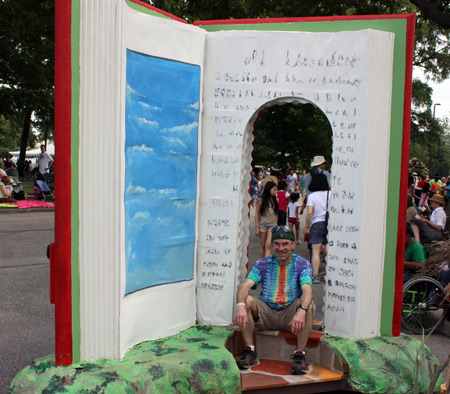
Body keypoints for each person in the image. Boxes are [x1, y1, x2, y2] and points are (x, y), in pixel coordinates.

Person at [234, 226, 313, 374]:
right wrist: (240, 305)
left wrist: (301, 311)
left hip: (290, 314)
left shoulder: (302, 264)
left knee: (308, 305)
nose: (280, 248)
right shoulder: (263, 263)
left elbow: (307, 290)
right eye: (277, 244)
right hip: (266, 314)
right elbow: (245, 285)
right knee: (247, 301)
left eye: (285, 244)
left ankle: (300, 354)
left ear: (293, 245)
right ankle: (249, 351)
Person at [304, 171, 329, 283]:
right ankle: (328, 272)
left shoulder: (312, 196)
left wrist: (307, 226)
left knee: (315, 251)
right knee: (328, 249)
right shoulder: (331, 194)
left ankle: (315, 275)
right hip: (329, 224)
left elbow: (309, 213)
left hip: (317, 223)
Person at [255, 181, 279, 258]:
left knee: (268, 244)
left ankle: (267, 262)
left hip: (272, 225)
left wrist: (277, 225)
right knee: (262, 244)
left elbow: (276, 213)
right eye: (274, 189)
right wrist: (256, 227)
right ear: (269, 189)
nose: (276, 191)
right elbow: (256, 214)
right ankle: (261, 262)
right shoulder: (260, 200)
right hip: (263, 224)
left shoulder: (276, 200)